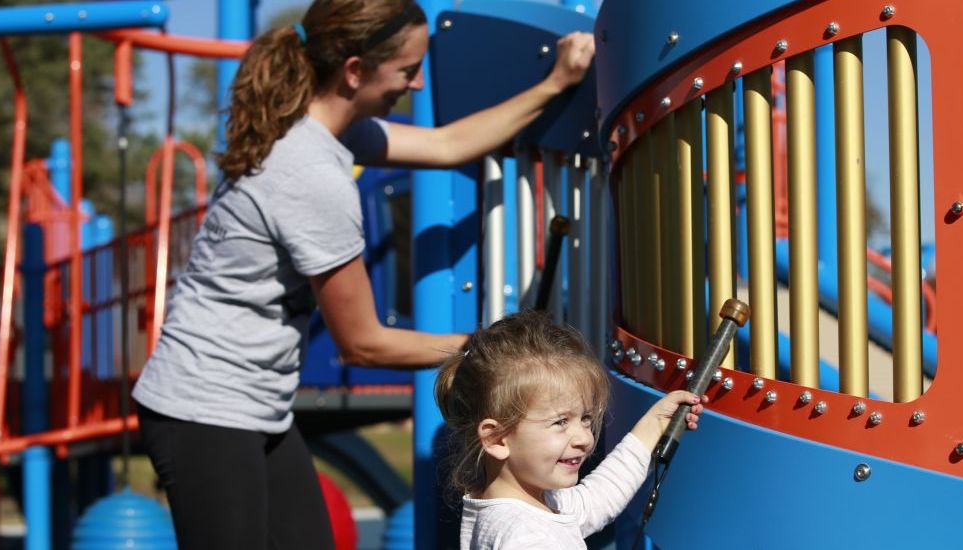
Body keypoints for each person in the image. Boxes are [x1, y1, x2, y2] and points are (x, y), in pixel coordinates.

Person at [130, 0, 597, 547]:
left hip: (255, 403)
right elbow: (363, 344)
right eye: (405, 70)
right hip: (202, 406)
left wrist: (554, 84)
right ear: (354, 71)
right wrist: (493, 351)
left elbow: (447, 146)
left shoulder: (320, 131)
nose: (418, 84)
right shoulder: (311, 176)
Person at [434, 310, 706, 549]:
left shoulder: (534, 504)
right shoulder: (526, 537)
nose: (584, 439)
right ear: (496, 438)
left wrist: (656, 423)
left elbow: (597, 498)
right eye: (560, 422)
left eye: (586, 418)